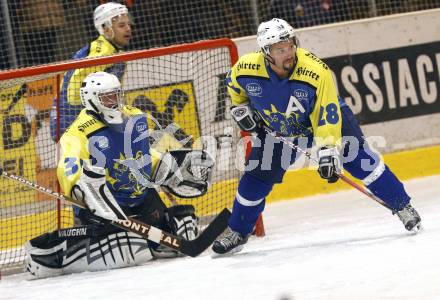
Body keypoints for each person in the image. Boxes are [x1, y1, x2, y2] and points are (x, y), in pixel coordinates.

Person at [212, 18, 421, 255]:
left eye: (291, 45)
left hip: (325, 119)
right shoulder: (245, 68)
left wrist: (328, 151)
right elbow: (234, 89)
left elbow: (326, 115)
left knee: (361, 160)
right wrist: (240, 109)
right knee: (257, 177)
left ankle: (403, 206)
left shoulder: (315, 71)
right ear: (266, 52)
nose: (289, 52)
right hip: (281, 128)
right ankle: (238, 231)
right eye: (281, 49)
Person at [25, 72, 214, 278]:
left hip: (143, 197)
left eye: (116, 95)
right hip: (107, 205)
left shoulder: (133, 116)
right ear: (91, 98)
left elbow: (141, 154)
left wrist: (166, 168)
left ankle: (149, 237)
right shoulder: (77, 132)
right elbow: (68, 168)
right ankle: (61, 254)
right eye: (107, 97)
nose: (114, 101)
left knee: (184, 225)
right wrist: (81, 186)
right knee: (128, 247)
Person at [50, 2, 132, 141]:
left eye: (128, 24)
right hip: (69, 122)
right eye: (121, 25)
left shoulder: (116, 53)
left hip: (80, 120)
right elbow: (72, 96)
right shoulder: (103, 53)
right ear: (106, 29)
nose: (128, 29)